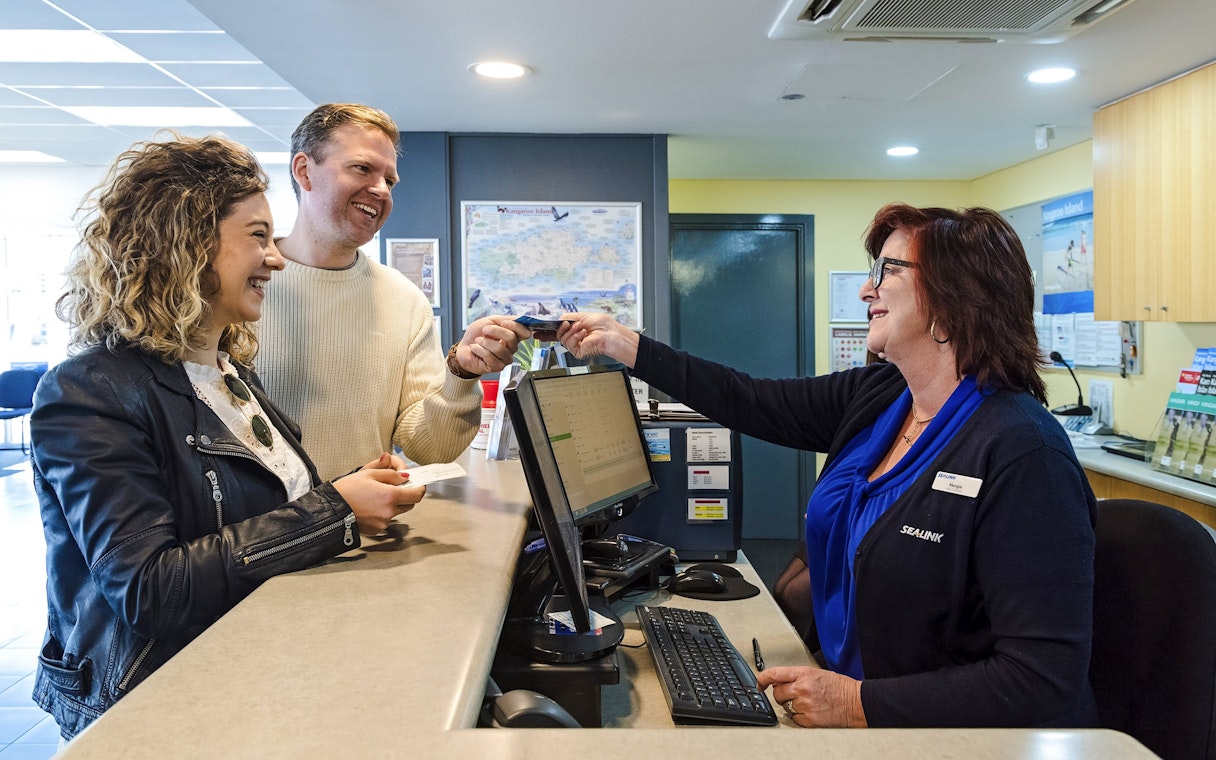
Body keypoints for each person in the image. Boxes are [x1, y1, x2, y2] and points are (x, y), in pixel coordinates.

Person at [557, 203, 1099, 729]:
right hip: (848, 703)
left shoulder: (1023, 453)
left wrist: (859, 704)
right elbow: (748, 398)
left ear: (955, 296)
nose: (868, 289)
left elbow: (1042, 679)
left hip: (943, 739)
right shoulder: (882, 396)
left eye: (887, 270)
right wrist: (625, 344)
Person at [30, 134, 426, 741]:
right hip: (158, 706)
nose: (276, 258)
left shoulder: (231, 374)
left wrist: (350, 498)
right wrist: (336, 508)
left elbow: (274, 521)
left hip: (251, 676)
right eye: (257, 236)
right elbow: (149, 591)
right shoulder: (89, 393)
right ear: (185, 244)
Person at [256, 103, 528, 480]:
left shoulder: (404, 299)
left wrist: (461, 373)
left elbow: (429, 448)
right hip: (258, 536)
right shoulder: (243, 287)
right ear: (305, 171)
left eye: (390, 180)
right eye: (363, 168)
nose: (381, 189)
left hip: (363, 532)